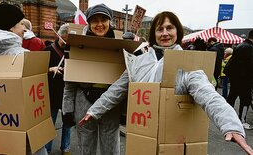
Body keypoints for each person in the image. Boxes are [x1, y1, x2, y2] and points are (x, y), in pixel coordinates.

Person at [78, 11, 253, 155]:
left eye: (169, 28)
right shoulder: (139, 61)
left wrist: (231, 125)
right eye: (160, 29)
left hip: (171, 141)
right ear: (154, 33)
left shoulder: (186, 63)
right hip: (141, 137)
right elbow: (117, 89)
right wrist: (94, 110)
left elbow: (208, 94)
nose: (165, 33)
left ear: (177, 32)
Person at [0, 3, 48, 155]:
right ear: (10, 28)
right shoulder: (25, 57)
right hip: (26, 139)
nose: (24, 29)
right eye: (21, 23)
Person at [62, 4, 121, 155]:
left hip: (110, 106)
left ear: (110, 21)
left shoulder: (121, 46)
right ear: (89, 23)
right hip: (84, 104)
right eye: (95, 20)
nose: (99, 24)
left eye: (103, 19)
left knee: (111, 149)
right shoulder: (77, 44)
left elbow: (126, 81)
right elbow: (69, 82)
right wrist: (67, 110)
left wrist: (126, 112)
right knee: (86, 149)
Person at [44, 23, 71, 155]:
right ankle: (47, 149)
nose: (66, 42)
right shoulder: (48, 50)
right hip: (52, 91)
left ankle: (66, 148)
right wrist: (50, 69)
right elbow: (37, 70)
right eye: (64, 38)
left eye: (68, 39)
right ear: (59, 35)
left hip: (67, 92)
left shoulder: (72, 51)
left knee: (68, 123)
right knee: (50, 123)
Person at [226, 30, 253, 130]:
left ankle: (227, 118)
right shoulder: (250, 48)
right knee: (246, 100)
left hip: (235, 77)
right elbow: (250, 66)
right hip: (245, 79)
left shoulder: (239, 45)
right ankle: (242, 120)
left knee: (231, 97)